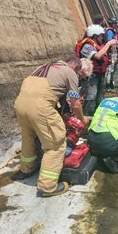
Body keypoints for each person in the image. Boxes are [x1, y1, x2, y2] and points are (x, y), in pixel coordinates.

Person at [12, 56, 85, 197]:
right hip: (40, 107)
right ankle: (48, 186)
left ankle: (26, 170)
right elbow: (75, 103)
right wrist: (82, 119)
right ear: (75, 66)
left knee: (28, 137)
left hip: (20, 105)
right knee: (56, 144)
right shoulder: (69, 72)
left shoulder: (42, 67)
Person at [76, 24, 118, 115]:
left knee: (99, 97)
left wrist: (109, 61)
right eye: (101, 36)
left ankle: (96, 116)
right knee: (90, 97)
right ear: (95, 36)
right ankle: (86, 116)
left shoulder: (97, 45)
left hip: (100, 76)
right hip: (90, 78)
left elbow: (101, 57)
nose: (102, 38)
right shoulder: (87, 45)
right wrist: (109, 43)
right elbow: (98, 56)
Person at [105, 17, 118, 90]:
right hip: (111, 53)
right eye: (115, 23)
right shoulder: (110, 32)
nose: (116, 25)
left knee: (112, 69)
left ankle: (110, 82)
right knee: (110, 70)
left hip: (113, 53)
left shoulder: (112, 31)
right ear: (112, 23)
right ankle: (108, 85)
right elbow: (109, 43)